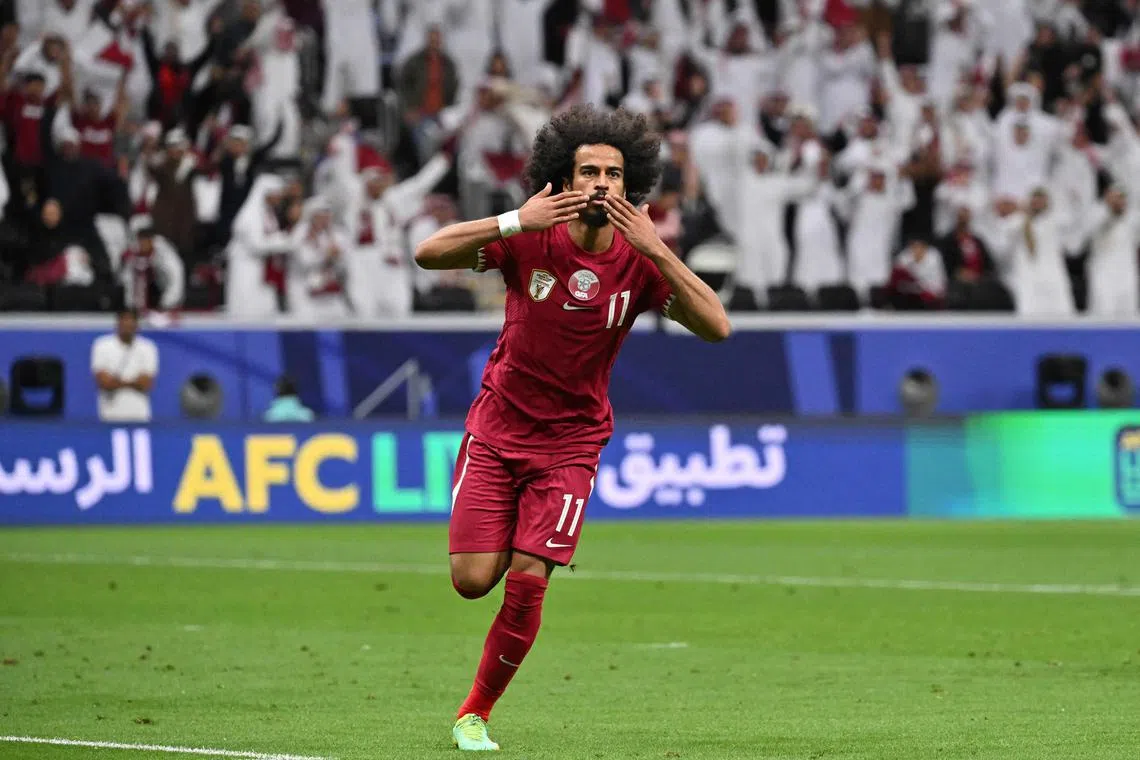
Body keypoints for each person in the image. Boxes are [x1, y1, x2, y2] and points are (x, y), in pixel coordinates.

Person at [413, 104, 731, 752]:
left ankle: (474, 714)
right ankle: (512, 542)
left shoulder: (640, 262)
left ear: (629, 185)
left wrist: (658, 249)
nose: (602, 184)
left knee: (528, 581)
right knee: (472, 581)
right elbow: (427, 254)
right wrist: (513, 219)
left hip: (571, 445)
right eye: (589, 172)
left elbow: (717, 326)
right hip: (497, 430)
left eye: (613, 174)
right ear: (564, 177)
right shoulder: (530, 237)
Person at [90, 308, 159, 423]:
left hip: (140, 415)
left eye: (131, 321)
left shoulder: (148, 347)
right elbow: (104, 382)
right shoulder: (102, 345)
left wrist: (116, 382)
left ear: (137, 325)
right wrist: (133, 382)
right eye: (124, 320)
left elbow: (146, 383)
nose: (128, 324)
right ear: (118, 323)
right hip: (109, 415)